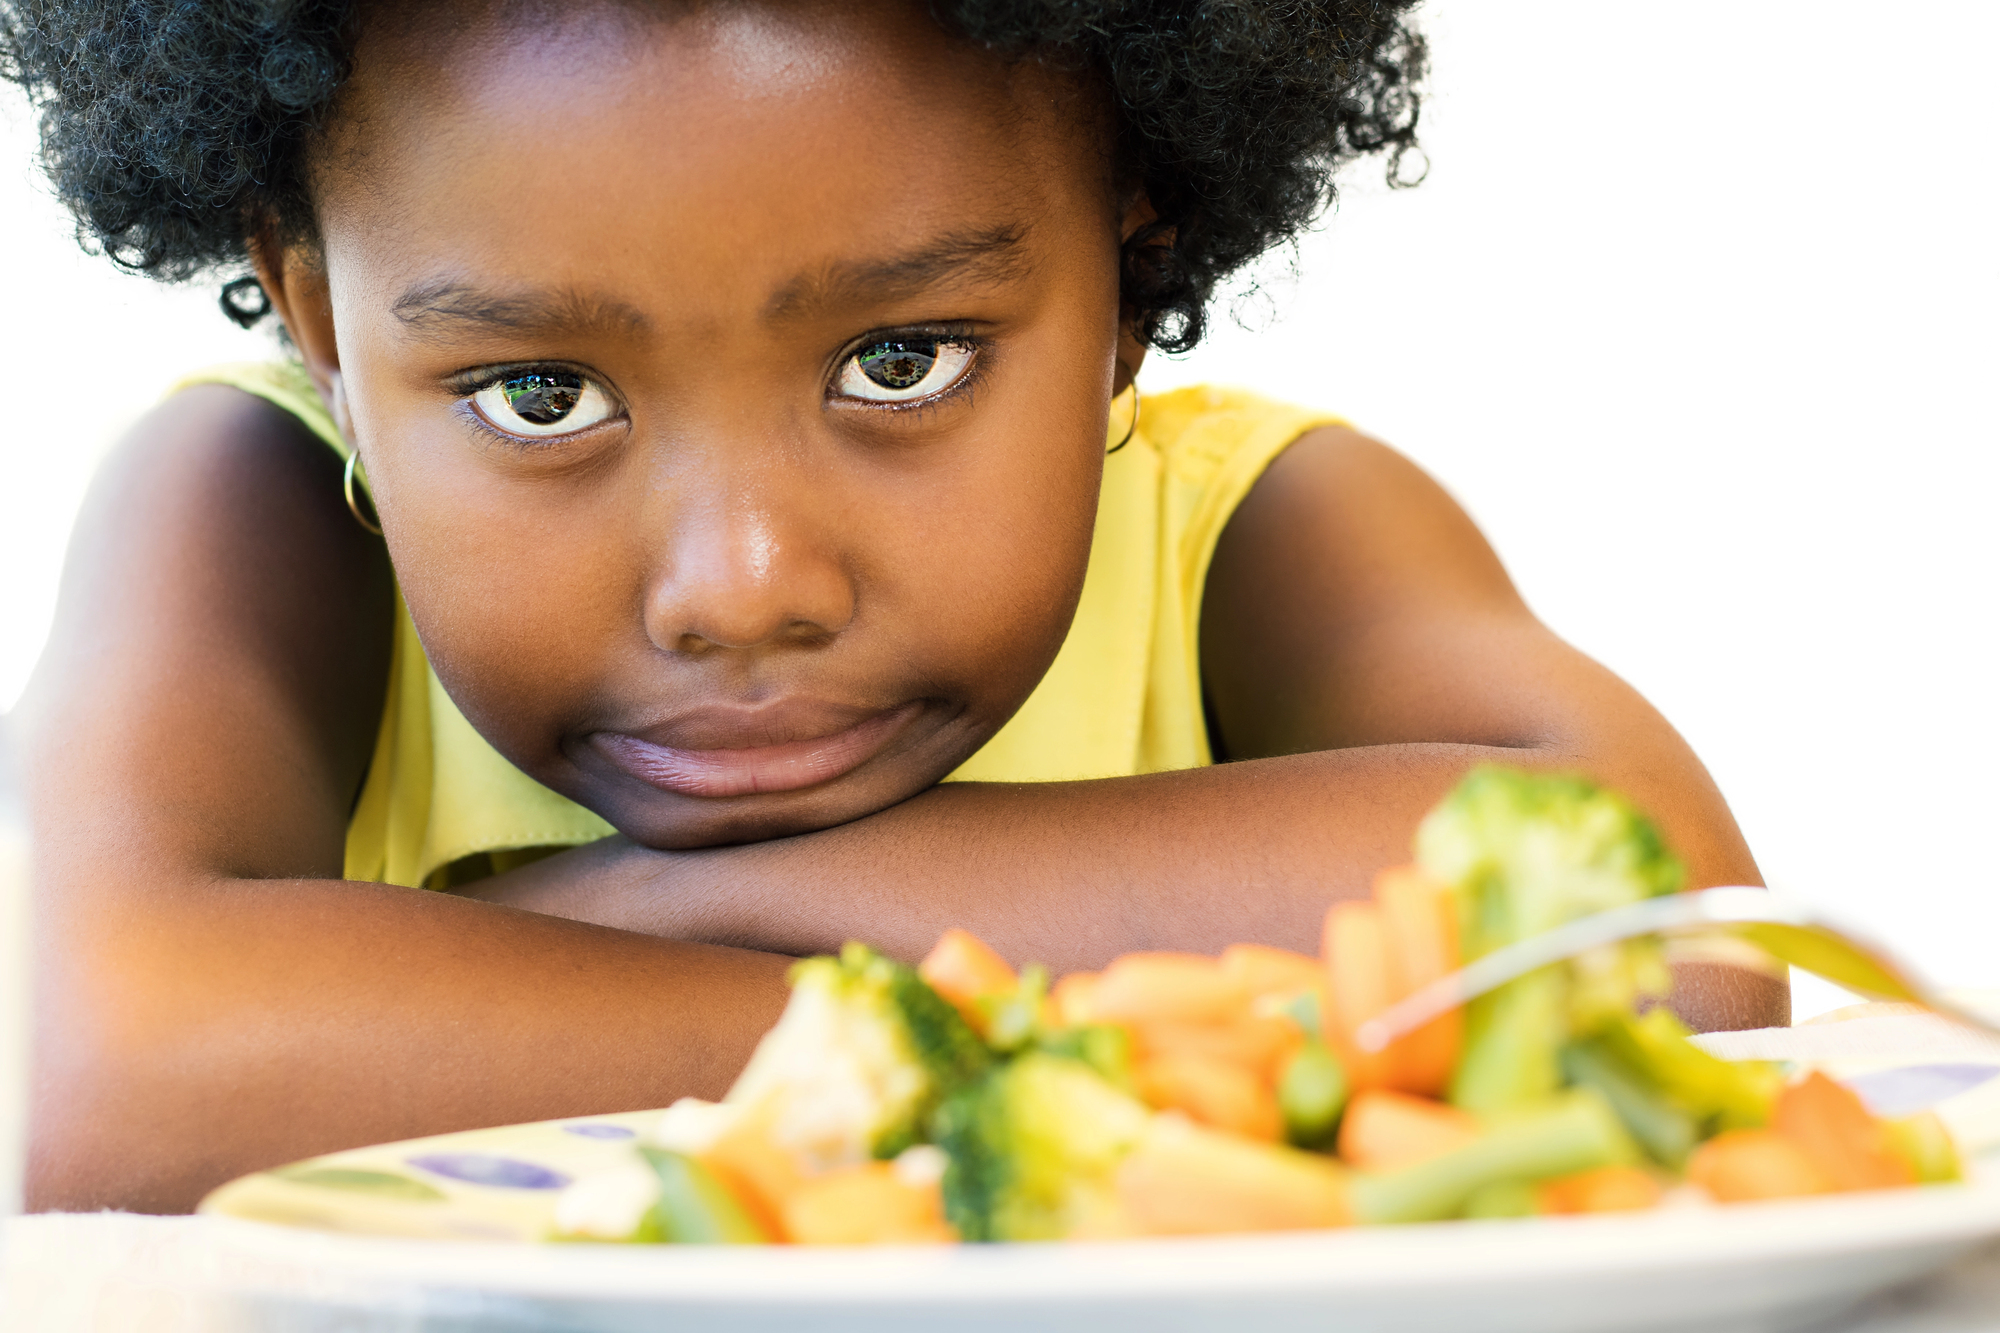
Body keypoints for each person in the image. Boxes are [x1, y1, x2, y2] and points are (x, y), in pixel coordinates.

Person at [2, 0, 1783, 1213]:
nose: (745, 588)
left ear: (1129, 275)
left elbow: (1680, 927)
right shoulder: (256, 505)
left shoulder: (1258, 523)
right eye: (541, 396)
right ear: (316, 318)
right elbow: (97, 1076)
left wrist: (625, 913)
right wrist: (1068, 1022)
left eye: (903, 359)